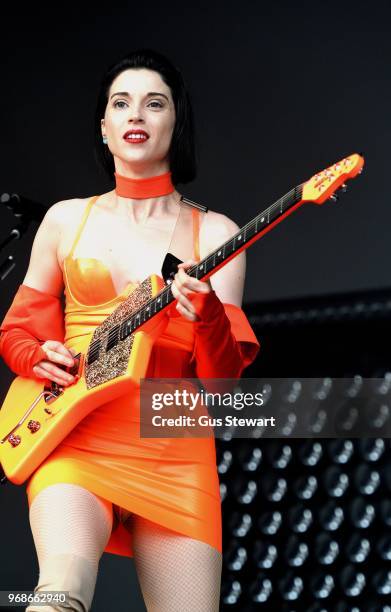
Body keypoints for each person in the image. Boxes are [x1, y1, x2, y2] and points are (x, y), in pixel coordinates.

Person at [0, 49, 260, 611]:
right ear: (104, 125)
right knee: (58, 597)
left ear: (175, 121)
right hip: (75, 430)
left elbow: (222, 387)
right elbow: (18, 331)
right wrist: (34, 356)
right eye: (121, 103)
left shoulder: (217, 232)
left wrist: (209, 317)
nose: (135, 115)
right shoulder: (67, 218)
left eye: (154, 103)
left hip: (173, 441)